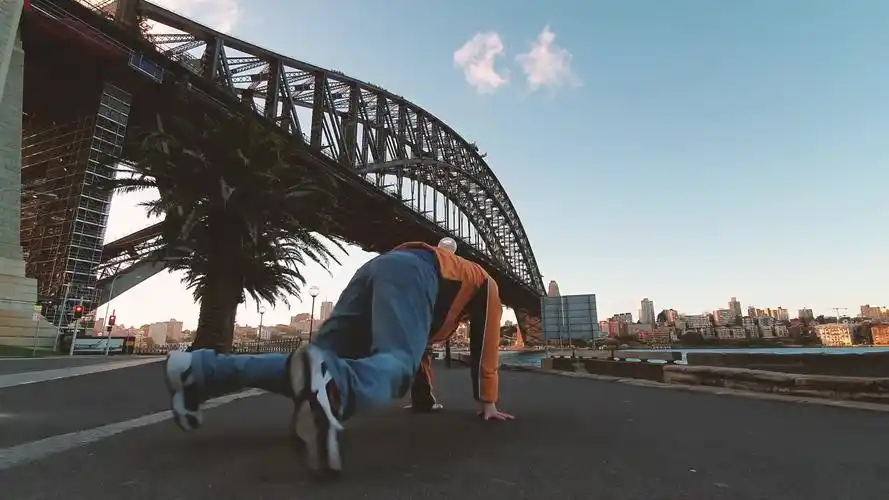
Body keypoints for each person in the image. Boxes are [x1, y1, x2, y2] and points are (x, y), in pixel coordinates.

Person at [164, 237, 514, 477]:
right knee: (390, 366)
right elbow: (486, 342)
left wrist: (424, 401)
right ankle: (335, 387)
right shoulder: (484, 283)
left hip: (375, 269)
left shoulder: (442, 295)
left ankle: (199, 369)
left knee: (316, 358)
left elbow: (416, 346)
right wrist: (488, 399)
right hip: (412, 273)